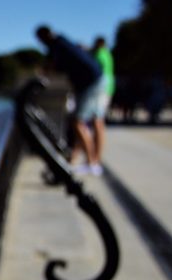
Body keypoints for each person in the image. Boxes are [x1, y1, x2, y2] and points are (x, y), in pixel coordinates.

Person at [35, 25, 106, 176]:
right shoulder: (63, 42)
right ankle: (91, 161)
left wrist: (41, 73)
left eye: (40, 39)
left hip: (90, 83)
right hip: (96, 80)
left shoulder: (57, 45)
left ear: (45, 36)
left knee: (77, 121)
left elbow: (50, 68)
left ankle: (91, 163)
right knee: (94, 120)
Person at [90, 36, 115, 163]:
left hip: (100, 90)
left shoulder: (100, 54)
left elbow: (95, 72)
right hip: (108, 89)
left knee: (97, 122)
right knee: (98, 122)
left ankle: (95, 158)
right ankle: (95, 157)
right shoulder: (108, 54)